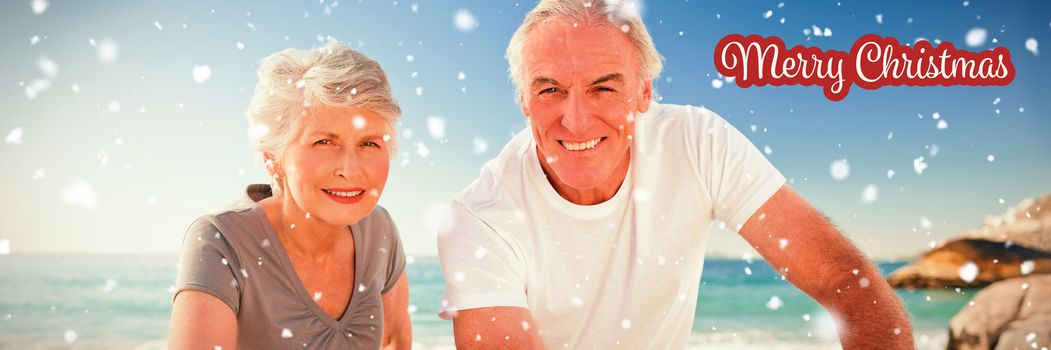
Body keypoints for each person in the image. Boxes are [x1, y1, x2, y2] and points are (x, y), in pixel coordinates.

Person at [436, 1, 913, 349]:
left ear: (644, 94)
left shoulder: (697, 143)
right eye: (550, 89)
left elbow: (847, 283)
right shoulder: (478, 219)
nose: (575, 119)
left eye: (603, 88)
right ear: (523, 99)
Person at [169, 40, 411, 349]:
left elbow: (394, 340)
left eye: (369, 143)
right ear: (273, 157)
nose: (350, 170)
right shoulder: (222, 242)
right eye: (325, 142)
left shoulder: (381, 231)